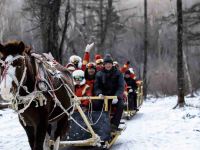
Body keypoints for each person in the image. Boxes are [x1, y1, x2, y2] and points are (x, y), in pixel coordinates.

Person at [94, 54, 125, 131]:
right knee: (95, 104)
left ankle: (114, 124)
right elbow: (97, 86)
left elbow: (121, 86)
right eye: (106, 64)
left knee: (121, 105)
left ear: (112, 64)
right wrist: (99, 93)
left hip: (114, 96)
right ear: (104, 65)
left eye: (109, 64)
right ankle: (98, 123)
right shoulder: (99, 74)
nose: (108, 65)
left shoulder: (118, 73)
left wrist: (117, 96)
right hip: (103, 96)